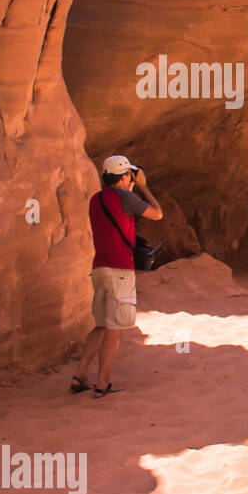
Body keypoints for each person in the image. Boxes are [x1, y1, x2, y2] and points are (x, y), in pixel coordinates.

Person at [71, 155, 163, 397]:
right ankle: (103, 382)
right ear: (124, 177)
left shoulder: (96, 199)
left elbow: (117, 213)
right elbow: (157, 213)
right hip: (120, 270)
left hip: (99, 268)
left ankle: (80, 375)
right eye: (129, 175)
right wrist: (142, 185)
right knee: (114, 328)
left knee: (100, 325)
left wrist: (129, 189)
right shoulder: (127, 197)